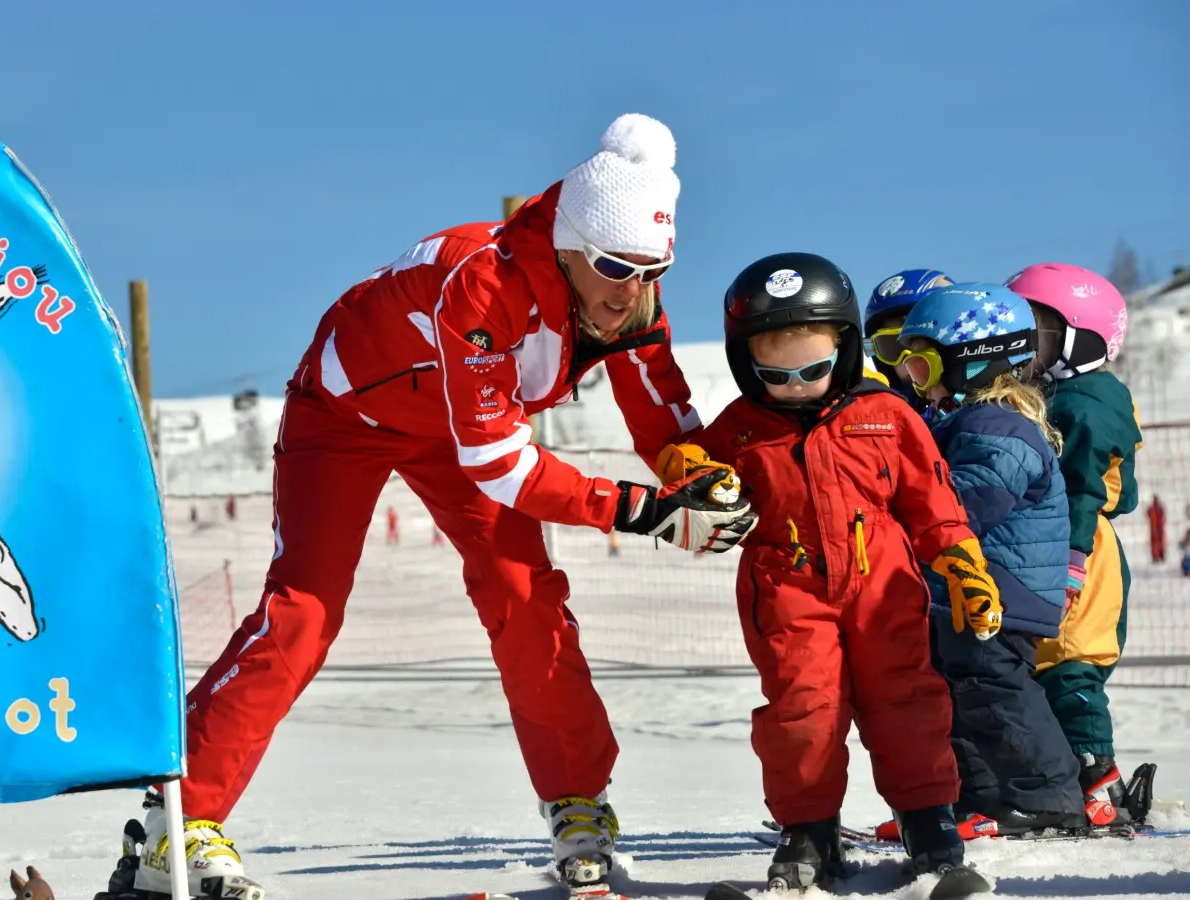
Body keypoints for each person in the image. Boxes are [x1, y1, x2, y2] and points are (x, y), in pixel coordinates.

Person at [98, 113, 761, 900]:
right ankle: (182, 820)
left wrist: (697, 476)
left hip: (456, 427)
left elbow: (660, 410)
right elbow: (498, 463)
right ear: (572, 248)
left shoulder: (630, 294)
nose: (633, 292)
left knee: (524, 594)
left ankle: (578, 799)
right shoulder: (484, 280)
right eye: (617, 267)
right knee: (303, 613)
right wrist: (641, 511)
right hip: (348, 415)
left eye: (655, 270)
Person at [664, 252, 999, 888]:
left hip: (884, 586)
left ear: (845, 350)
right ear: (745, 362)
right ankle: (809, 831)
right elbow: (695, 472)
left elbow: (933, 503)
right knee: (802, 707)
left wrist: (962, 563)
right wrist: (691, 473)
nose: (795, 385)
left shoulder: (887, 415)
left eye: (814, 369)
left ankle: (928, 821)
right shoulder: (738, 430)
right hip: (786, 586)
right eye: (775, 372)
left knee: (907, 699)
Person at [892, 283, 1087, 835]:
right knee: (959, 692)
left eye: (923, 368)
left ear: (974, 363)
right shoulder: (962, 423)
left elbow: (968, 502)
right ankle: (979, 798)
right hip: (965, 587)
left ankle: (1050, 798)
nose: (914, 383)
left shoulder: (996, 428)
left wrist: (897, 505)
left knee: (996, 689)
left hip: (1001, 587)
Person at [1006, 263, 1157, 826]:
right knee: (1042, 668)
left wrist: (1069, 560)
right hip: (1059, 541)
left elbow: (1085, 487)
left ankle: (1100, 784)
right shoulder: (1059, 393)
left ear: (1078, 335)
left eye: (1035, 329)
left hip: (1080, 547)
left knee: (1069, 663)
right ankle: (1062, 784)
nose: (1022, 344)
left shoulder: (1086, 398)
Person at [861, 268, 954, 399]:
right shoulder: (880, 415)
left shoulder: (982, 408)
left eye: (925, 343)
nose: (910, 361)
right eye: (891, 347)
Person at [1147, 495, 1166, 565]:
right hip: (1154, 528)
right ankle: (1156, 557)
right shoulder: (1153, 509)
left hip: (1158, 528)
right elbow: (1148, 514)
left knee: (1159, 542)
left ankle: (1161, 555)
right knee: (1155, 543)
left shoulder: (1158, 508)